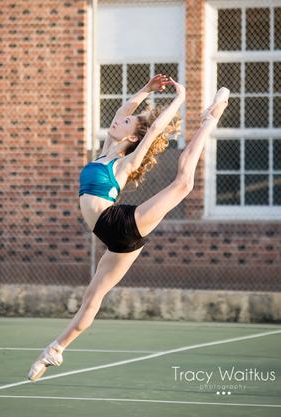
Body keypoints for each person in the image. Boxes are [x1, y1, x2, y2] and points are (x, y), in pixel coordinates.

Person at [28, 74, 230, 381]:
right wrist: (146, 90)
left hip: (119, 224)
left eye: (127, 123)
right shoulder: (105, 150)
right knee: (92, 300)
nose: (120, 120)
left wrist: (179, 99)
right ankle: (55, 350)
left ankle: (208, 120)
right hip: (118, 242)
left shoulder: (124, 164)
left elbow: (155, 130)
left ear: (133, 138)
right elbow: (124, 110)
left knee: (183, 184)